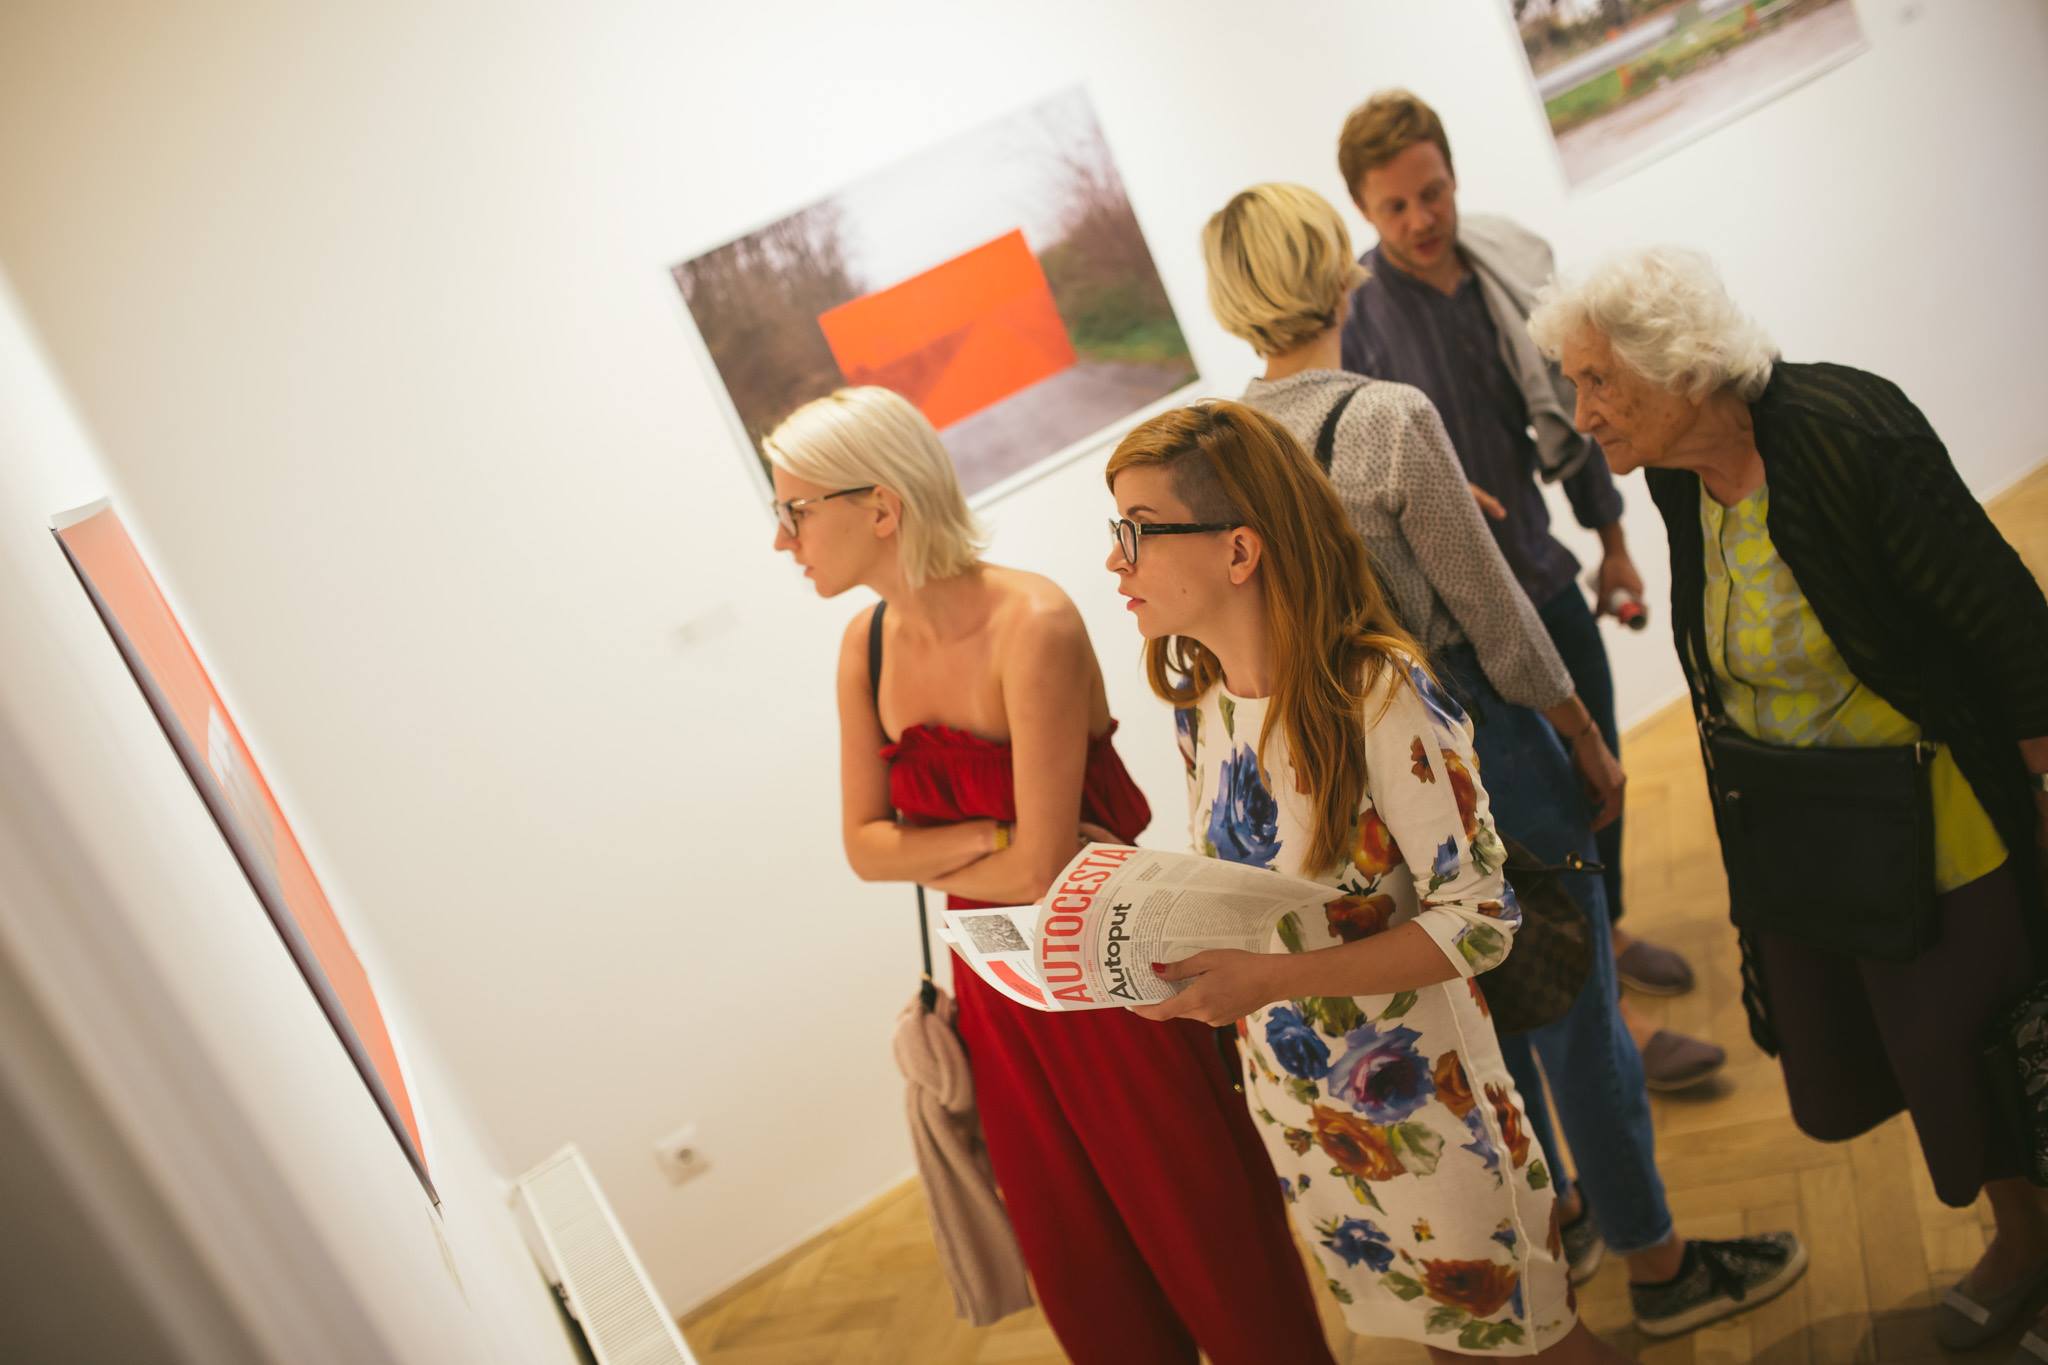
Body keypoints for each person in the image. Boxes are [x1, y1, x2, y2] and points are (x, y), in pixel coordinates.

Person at [1200, 184, 1805, 1339]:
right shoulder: (1383, 418)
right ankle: (1661, 1264)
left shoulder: (1226, 452)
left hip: (1364, 781)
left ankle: (1558, 1224)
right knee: (1578, 1019)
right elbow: (1494, 616)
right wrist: (1580, 732)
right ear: (1337, 271)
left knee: (1475, 1019)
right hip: (1480, 747)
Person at [1530, 246, 2048, 1356]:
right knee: (1927, 1052)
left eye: (1597, 381)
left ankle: (2030, 1243)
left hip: (1933, 806)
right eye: (1572, 384)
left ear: (1678, 367)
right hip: (1811, 823)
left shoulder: (1848, 432)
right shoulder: (1677, 474)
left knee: (1990, 1041)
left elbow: (2001, 615)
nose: (1581, 414)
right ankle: (2023, 1238)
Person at [763, 386, 1335, 1365]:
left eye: (794, 510)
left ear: (881, 506)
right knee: (1086, 1272)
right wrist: (996, 830)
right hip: (997, 994)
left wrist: (953, 849)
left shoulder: (1033, 622)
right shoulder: (864, 649)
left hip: (1108, 979)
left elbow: (1040, 867)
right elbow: (866, 848)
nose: (784, 540)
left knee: (1213, 1246)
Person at [1106, 397, 1620, 1362]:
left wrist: (1269, 979)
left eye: (1137, 530)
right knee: (1446, 1342)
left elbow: (1481, 920)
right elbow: (1255, 891)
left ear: (1239, 550)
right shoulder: (1203, 702)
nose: (1114, 559)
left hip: (1429, 1103)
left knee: (1536, 1344)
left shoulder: (1377, 694)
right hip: (1306, 1109)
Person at [1335, 87, 1720, 1092]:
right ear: (1364, 213)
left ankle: (1613, 930)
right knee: (1539, 823)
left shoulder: (1507, 275)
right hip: (1462, 625)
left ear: (1452, 176)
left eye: (1432, 192)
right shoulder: (1358, 320)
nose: (1421, 218)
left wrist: (1613, 543)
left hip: (1544, 578)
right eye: (1394, 206)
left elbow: (1574, 410)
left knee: (1602, 777)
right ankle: (1615, 1021)